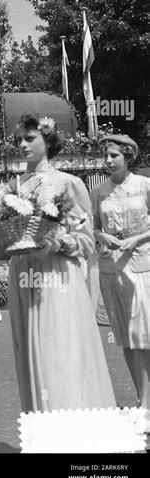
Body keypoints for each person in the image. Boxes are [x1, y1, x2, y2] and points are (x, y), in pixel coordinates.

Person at [3, 113, 116, 412]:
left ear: (47, 140)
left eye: (29, 138)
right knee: (29, 355)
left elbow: (86, 240)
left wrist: (60, 242)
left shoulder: (70, 184)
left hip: (57, 276)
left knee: (59, 355)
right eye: (18, 140)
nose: (22, 145)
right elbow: (5, 234)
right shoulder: (12, 188)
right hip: (23, 274)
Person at [90, 134, 150, 429]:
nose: (108, 160)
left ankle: (146, 407)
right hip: (111, 268)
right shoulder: (99, 192)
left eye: (114, 155)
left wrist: (137, 238)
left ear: (128, 157)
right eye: (106, 156)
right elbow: (94, 226)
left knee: (144, 337)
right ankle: (142, 399)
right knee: (127, 338)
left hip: (141, 266)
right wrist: (104, 237)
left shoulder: (145, 186)